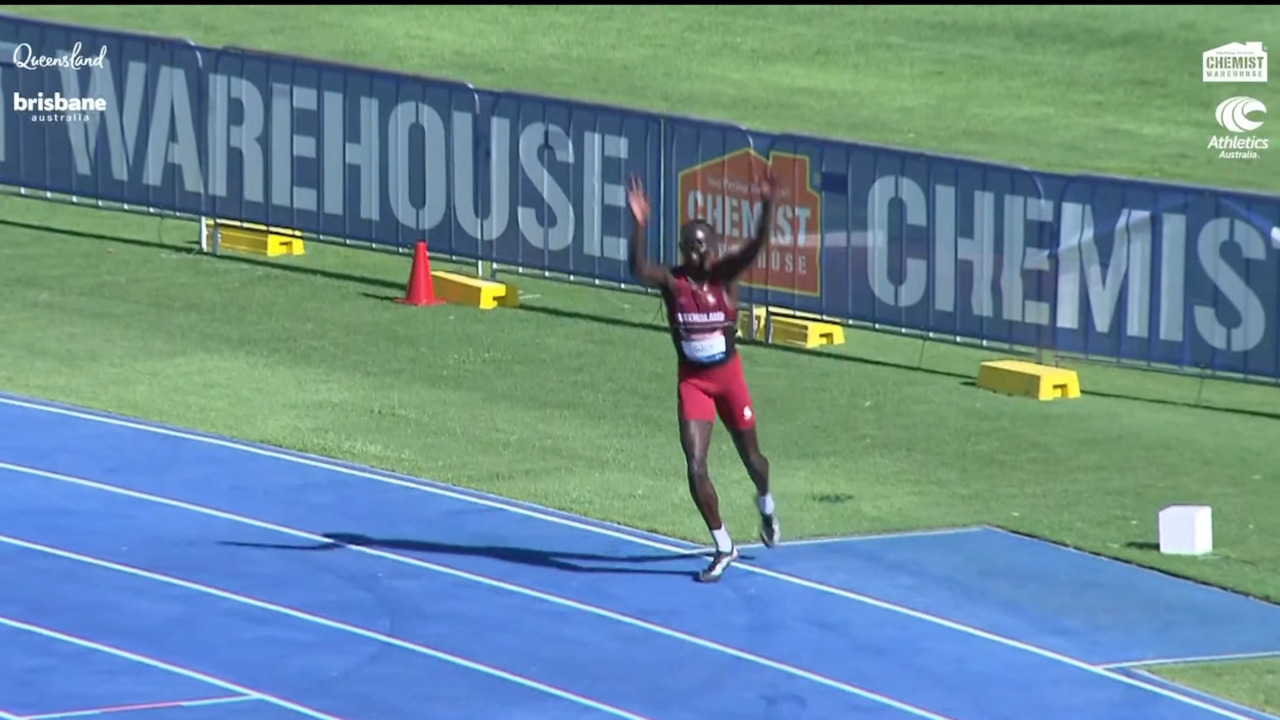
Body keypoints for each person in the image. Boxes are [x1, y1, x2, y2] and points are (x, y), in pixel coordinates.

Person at [625, 167, 780, 583]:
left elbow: (757, 245)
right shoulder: (672, 283)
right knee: (695, 465)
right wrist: (639, 225)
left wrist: (766, 206)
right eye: (690, 248)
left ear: (713, 247)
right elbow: (638, 267)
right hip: (693, 380)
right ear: (682, 250)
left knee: (754, 460)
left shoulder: (724, 278)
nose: (697, 254)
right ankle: (723, 545)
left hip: (729, 378)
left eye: (703, 247)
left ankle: (765, 502)